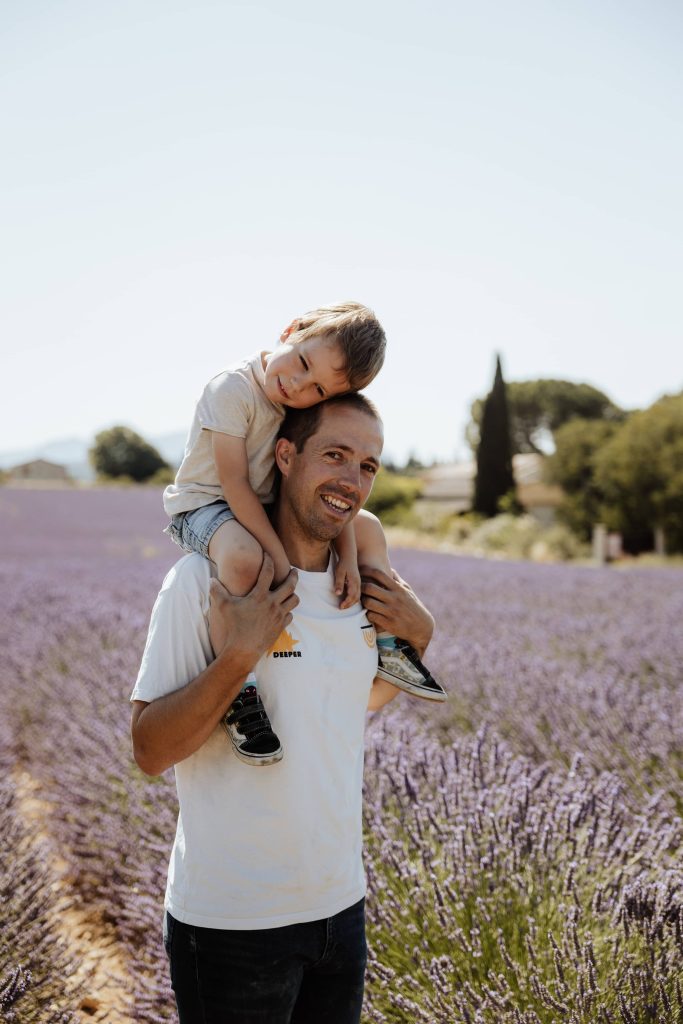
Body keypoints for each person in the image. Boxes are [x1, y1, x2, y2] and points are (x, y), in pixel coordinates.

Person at [131, 394, 437, 1024]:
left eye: (369, 466)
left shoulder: (360, 585)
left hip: (340, 911)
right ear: (286, 454)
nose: (352, 481)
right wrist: (239, 656)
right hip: (234, 924)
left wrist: (419, 643)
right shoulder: (202, 581)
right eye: (336, 455)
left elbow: (349, 702)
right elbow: (149, 751)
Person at [162, 301, 445, 767]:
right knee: (244, 558)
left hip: (256, 501)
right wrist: (276, 553)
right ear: (292, 330)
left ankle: (391, 647)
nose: (297, 386)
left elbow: (365, 703)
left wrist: (349, 559)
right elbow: (233, 484)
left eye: (316, 389)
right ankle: (240, 690)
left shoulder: (292, 403)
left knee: (368, 526)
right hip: (205, 503)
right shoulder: (233, 389)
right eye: (303, 364)